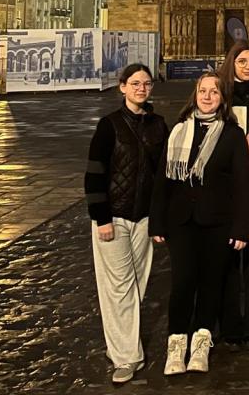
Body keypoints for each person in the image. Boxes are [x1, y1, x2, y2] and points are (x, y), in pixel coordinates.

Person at [149, 72, 249, 376]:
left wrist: (241, 227)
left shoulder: (232, 134)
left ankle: (201, 344)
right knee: (182, 282)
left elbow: (242, 185)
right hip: (181, 221)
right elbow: (162, 181)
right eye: (202, 91)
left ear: (223, 98)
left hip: (217, 221)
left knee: (210, 283)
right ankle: (176, 342)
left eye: (214, 92)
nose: (207, 97)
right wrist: (157, 222)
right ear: (195, 95)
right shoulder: (179, 130)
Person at [85, 63, 168, 385]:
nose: (141, 89)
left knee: (136, 285)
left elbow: (163, 175)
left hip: (144, 218)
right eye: (135, 83)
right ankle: (126, 357)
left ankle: (119, 344)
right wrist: (101, 218)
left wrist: (160, 218)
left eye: (146, 84)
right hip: (114, 219)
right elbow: (94, 174)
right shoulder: (109, 126)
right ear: (122, 87)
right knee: (119, 288)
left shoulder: (158, 125)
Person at [217, 42, 249, 349]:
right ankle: (229, 325)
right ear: (231, 63)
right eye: (242, 61)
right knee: (226, 258)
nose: (248, 66)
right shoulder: (220, 97)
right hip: (227, 187)